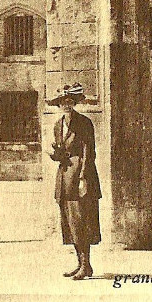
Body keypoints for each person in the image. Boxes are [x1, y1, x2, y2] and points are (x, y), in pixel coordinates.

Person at [47, 83, 101, 280]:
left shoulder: (84, 123)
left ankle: (86, 265)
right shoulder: (57, 125)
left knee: (82, 221)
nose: (66, 106)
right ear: (59, 105)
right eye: (63, 103)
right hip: (64, 176)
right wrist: (55, 154)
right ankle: (80, 263)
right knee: (70, 222)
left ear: (74, 103)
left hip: (79, 174)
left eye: (70, 102)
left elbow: (89, 152)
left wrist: (83, 178)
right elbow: (61, 152)